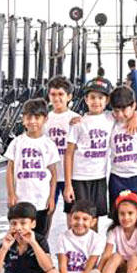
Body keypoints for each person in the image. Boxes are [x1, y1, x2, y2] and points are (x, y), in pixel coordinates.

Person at [64, 78, 115, 229]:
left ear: (107, 100)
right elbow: (69, 154)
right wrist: (68, 184)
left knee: (93, 219)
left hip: (99, 178)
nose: (96, 101)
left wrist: (134, 118)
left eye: (100, 98)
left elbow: (134, 113)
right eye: (92, 97)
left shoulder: (111, 118)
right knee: (77, 219)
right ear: (86, 99)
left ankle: (93, 244)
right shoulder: (78, 123)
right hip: (79, 178)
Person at [5, 98, 59, 238]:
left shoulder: (49, 144)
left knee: (40, 237)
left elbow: (53, 174)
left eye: (37, 117)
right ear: (23, 119)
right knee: (20, 236)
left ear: (45, 119)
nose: (33, 121)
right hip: (21, 199)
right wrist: (11, 194)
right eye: (29, 117)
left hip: (41, 200)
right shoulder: (16, 143)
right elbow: (10, 171)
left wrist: (51, 197)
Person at [107, 86, 137, 208]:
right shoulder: (110, 122)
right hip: (116, 178)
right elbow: (94, 117)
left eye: (124, 110)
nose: (120, 115)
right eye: (116, 111)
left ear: (133, 106)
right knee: (117, 213)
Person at [56, 199, 106, 273]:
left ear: (93, 222)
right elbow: (62, 266)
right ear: (70, 218)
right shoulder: (62, 237)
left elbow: (89, 267)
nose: (80, 222)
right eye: (76, 218)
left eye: (85, 219)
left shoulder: (97, 239)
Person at [45, 76, 78, 212]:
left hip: (70, 176)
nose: (57, 98)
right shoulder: (44, 119)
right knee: (47, 212)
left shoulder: (76, 119)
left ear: (69, 96)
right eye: (53, 94)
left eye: (61, 94)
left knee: (72, 214)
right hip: (49, 176)